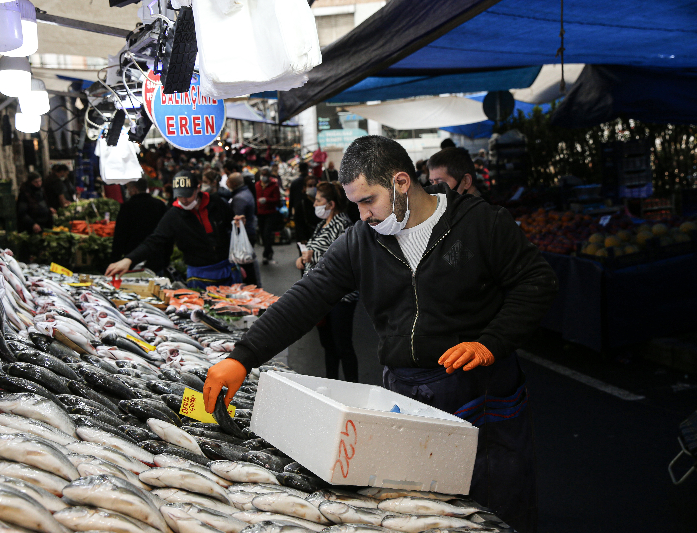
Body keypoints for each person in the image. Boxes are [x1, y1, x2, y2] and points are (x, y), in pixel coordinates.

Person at [202, 135, 558, 533]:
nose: (363, 215)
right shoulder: (360, 240)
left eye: (369, 200)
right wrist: (243, 356)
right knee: (416, 507)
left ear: (401, 182)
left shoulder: (482, 223)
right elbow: (308, 296)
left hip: (481, 390)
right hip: (405, 392)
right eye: (355, 204)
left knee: (496, 498)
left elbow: (536, 283)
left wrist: (491, 342)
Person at [105, 171, 244, 289]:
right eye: (180, 195)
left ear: (198, 188)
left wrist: (239, 224)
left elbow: (231, 224)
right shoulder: (174, 215)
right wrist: (129, 259)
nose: (184, 200)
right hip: (199, 274)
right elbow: (154, 240)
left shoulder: (216, 203)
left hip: (227, 269)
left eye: (188, 195)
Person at [296, 181, 358, 381]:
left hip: (340, 296)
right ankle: (332, 383)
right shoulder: (322, 225)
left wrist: (311, 257)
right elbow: (314, 249)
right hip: (321, 295)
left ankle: (353, 387)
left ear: (331, 204)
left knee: (342, 345)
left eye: (318, 200)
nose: (314, 204)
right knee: (328, 345)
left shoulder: (343, 224)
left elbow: (342, 258)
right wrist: (303, 258)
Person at [110, 178, 168, 272]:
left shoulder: (127, 207)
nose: (128, 191)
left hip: (132, 258)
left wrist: (115, 259)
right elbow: (167, 233)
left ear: (134, 189)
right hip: (156, 258)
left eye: (128, 188)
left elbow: (120, 235)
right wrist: (166, 259)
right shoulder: (160, 205)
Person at [227, 172, 260, 286]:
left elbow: (238, 220)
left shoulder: (239, 198)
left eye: (229, 181)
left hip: (246, 233)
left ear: (234, 183)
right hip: (250, 231)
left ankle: (252, 288)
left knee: (246, 265)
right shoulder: (246, 192)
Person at [255, 167, 281, 265]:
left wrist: (266, 200)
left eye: (265, 174)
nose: (263, 176)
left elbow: (277, 200)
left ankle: (266, 254)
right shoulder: (257, 185)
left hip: (270, 213)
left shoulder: (274, 186)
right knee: (262, 234)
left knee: (267, 233)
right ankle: (269, 252)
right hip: (260, 213)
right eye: (262, 174)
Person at [289, 162, 308, 240]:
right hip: (309, 210)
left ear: (299, 170)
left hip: (297, 210)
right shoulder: (313, 181)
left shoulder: (294, 183)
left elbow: (291, 198)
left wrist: (290, 212)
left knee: (300, 232)